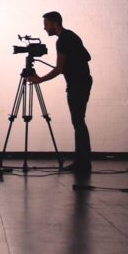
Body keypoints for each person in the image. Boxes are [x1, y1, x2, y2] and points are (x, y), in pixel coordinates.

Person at [27, 11, 93, 173]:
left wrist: (39, 79)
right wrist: (72, 65)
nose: (44, 28)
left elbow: (59, 69)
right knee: (79, 122)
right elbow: (87, 57)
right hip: (83, 82)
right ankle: (83, 162)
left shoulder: (62, 41)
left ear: (54, 23)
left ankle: (82, 163)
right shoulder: (72, 36)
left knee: (78, 122)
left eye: (46, 24)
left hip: (77, 84)